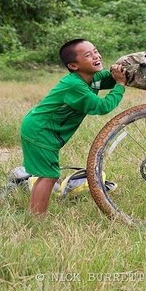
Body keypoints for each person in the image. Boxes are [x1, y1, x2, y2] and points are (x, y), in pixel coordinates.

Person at [20, 39, 127, 216]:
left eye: (95, 51)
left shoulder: (92, 78)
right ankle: (36, 219)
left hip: (41, 130)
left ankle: (34, 215)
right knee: (49, 175)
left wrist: (121, 74)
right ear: (73, 65)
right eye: (88, 55)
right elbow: (102, 107)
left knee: (46, 174)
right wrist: (120, 86)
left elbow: (109, 79)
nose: (96, 56)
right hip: (41, 131)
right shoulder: (74, 85)